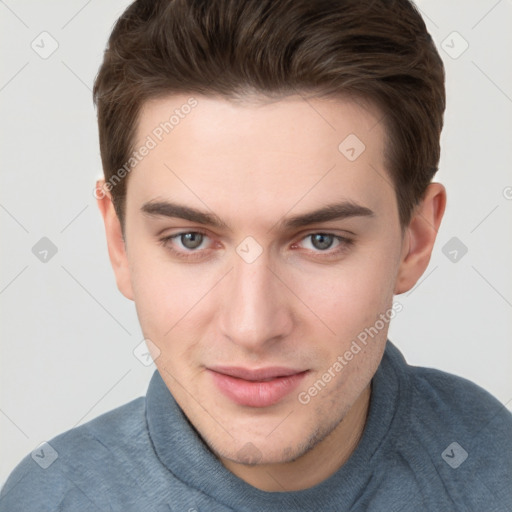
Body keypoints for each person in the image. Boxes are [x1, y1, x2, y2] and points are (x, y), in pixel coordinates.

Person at [1, 0, 511, 510]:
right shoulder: (49, 498)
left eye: (321, 240)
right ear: (120, 243)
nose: (252, 326)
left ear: (415, 241)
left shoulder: (493, 472)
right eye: (191, 239)